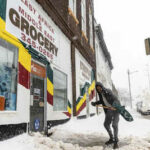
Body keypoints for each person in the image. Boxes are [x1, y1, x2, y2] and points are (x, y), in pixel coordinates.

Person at [91, 82, 120, 149]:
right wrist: (95, 103)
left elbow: (116, 99)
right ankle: (111, 139)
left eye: (99, 87)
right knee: (106, 124)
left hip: (116, 109)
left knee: (114, 125)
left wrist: (115, 106)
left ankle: (116, 142)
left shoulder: (108, 91)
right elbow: (102, 101)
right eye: (97, 88)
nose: (99, 89)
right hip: (109, 110)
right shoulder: (100, 94)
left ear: (102, 87)